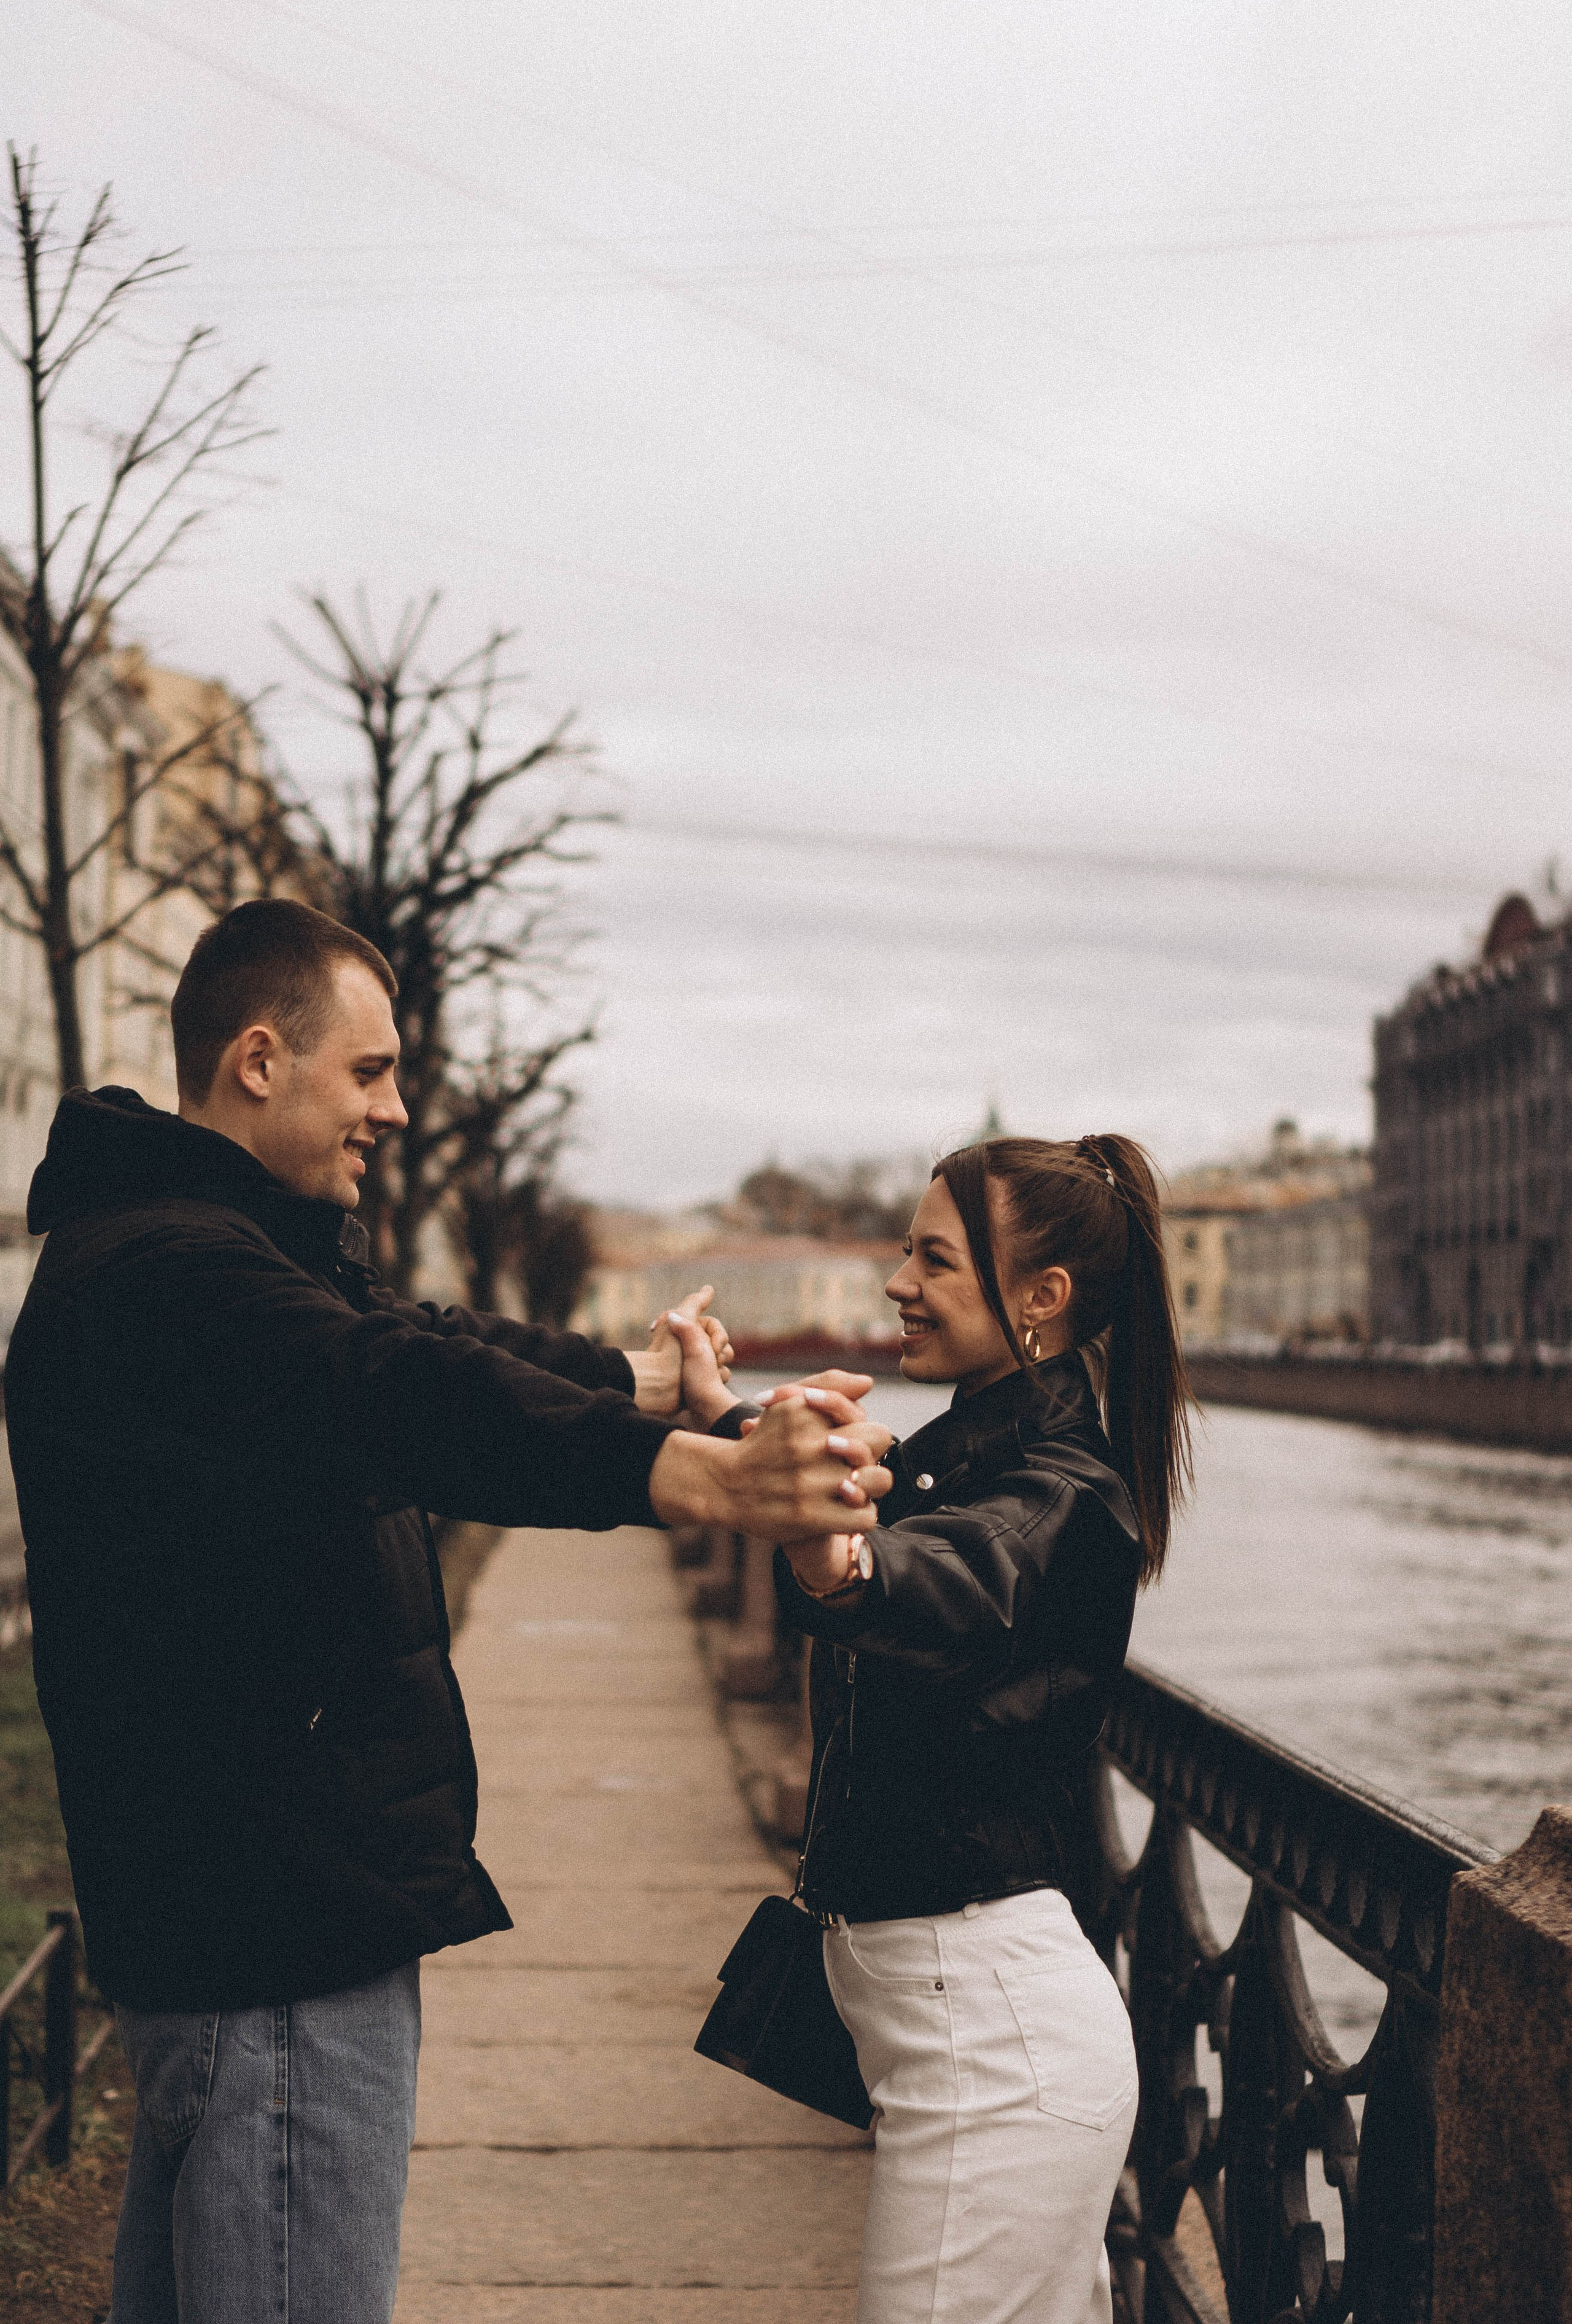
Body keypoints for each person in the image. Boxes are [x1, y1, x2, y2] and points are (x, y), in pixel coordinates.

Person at [5, 897, 892, 2324]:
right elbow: (393, 1394)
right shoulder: (179, 1272)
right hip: (277, 1934)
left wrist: (632, 1384)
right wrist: (708, 1482)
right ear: (256, 1059)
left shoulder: (195, 1245)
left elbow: (417, 1344)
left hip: (236, 1921)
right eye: (370, 1073)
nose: (396, 1110)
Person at [687, 1133, 1191, 2324]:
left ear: (1040, 1299)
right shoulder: (961, 1455)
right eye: (902, 1252)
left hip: (994, 2063)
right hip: (965, 2043)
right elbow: (879, 1502)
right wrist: (730, 1421)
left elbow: (951, 1572)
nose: (895, 1284)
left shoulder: (1059, 1493)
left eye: (933, 1261)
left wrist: (838, 1560)